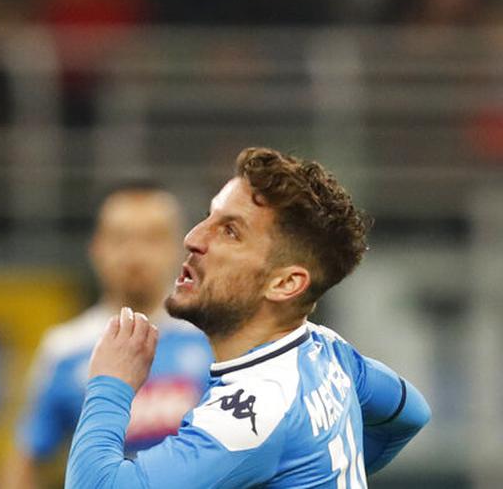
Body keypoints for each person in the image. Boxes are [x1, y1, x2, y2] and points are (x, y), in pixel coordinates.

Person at [66, 147, 430, 488]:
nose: (193, 238)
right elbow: (410, 412)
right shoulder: (327, 351)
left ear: (285, 282)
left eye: (230, 232)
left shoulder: (255, 413)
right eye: (209, 217)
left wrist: (109, 383)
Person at [0, 183, 213, 489]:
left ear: (180, 248)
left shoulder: (213, 337)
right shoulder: (64, 349)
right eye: (121, 238)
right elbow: (25, 463)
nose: (135, 254)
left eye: (153, 238)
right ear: (96, 247)